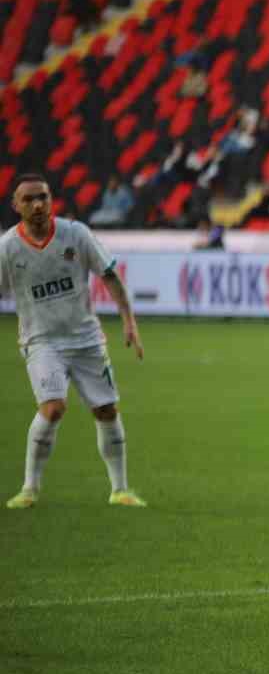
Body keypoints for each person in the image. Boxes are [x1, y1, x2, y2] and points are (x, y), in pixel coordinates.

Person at [2, 177, 146, 509]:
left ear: (51, 199)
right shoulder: (8, 248)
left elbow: (109, 274)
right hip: (41, 341)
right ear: (16, 205)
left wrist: (129, 321)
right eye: (29, 199)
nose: (37, 205)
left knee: (106, 409)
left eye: (43, 197)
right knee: (53, 408)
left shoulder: (75, 234)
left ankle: (120, 489)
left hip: (85, 339)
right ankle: (29, 488)